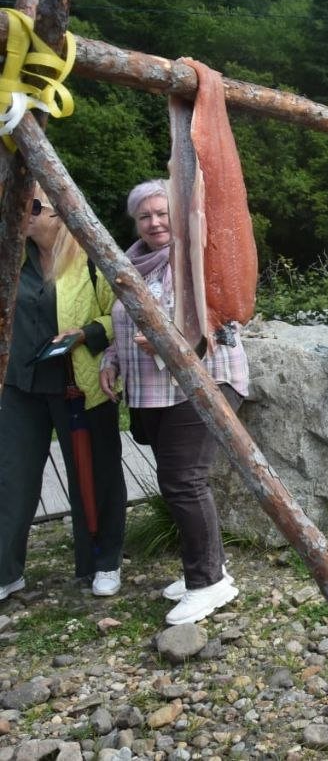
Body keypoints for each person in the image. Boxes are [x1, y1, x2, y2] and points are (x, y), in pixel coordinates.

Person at [98, 179, 247, 625]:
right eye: (145, 215)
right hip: (155, 392)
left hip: (203, 382)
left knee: (184, 482)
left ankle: (207, 583)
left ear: (178, 215)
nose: (154, 222)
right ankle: (210, 568)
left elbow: (226, 324)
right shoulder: (128, 264)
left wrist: (176, 342)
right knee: (178, 482)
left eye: (162, 213)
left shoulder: (199, 258)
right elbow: (120, 322)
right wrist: (111, 359)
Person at [1, 186, 126, 602]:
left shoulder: (90, 257)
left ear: (57, 213)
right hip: (20, 386)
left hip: (81, 383)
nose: (24, 212)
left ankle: (103, 562)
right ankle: (6, 572)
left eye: (33, 206)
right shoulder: (12, 257)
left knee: (97, 474)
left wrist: (88, 333)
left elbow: (123, 313)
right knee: (11, 478)